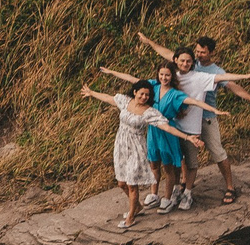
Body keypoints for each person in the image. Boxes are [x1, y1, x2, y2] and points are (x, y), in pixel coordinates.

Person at [138, 30, 250, 205]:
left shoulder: (210, 72)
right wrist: (149, 42)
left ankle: (229, 186)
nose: (198, 55)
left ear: (211, 53)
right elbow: (166, 53)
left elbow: (231, 84)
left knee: (217, 152)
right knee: (183, 154)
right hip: (181, 118)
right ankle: (184, 185)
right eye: (197, 51)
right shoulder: (186, 64)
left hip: (206, 117)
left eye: (202, 52)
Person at [100, 56, 227, 209]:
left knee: (168, 167)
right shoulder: (153, 86)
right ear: (158, 75)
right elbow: (133, 80)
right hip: (153, 131)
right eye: (161, 74)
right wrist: (111, 72)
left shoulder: (175, 94)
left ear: (172, 76)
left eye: (167, 75)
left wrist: (214, 110)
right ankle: (154, 194)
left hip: (166, 129)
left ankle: (167, 198)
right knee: (154, 163)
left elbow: (195, 102)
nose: (164, 77)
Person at [75, 79, 197, 231]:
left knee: (132, 185)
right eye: (142, 93)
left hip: (136, 149)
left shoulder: (149, 112)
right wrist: (91, 93)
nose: (144, 97)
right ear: (135, 92)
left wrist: (187, 137)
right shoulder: (125, 102)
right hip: (120, 146)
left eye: (147, 95)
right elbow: (109, 98)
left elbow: (166, 127)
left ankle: (130, 217)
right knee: (122, 183)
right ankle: (137, 206)